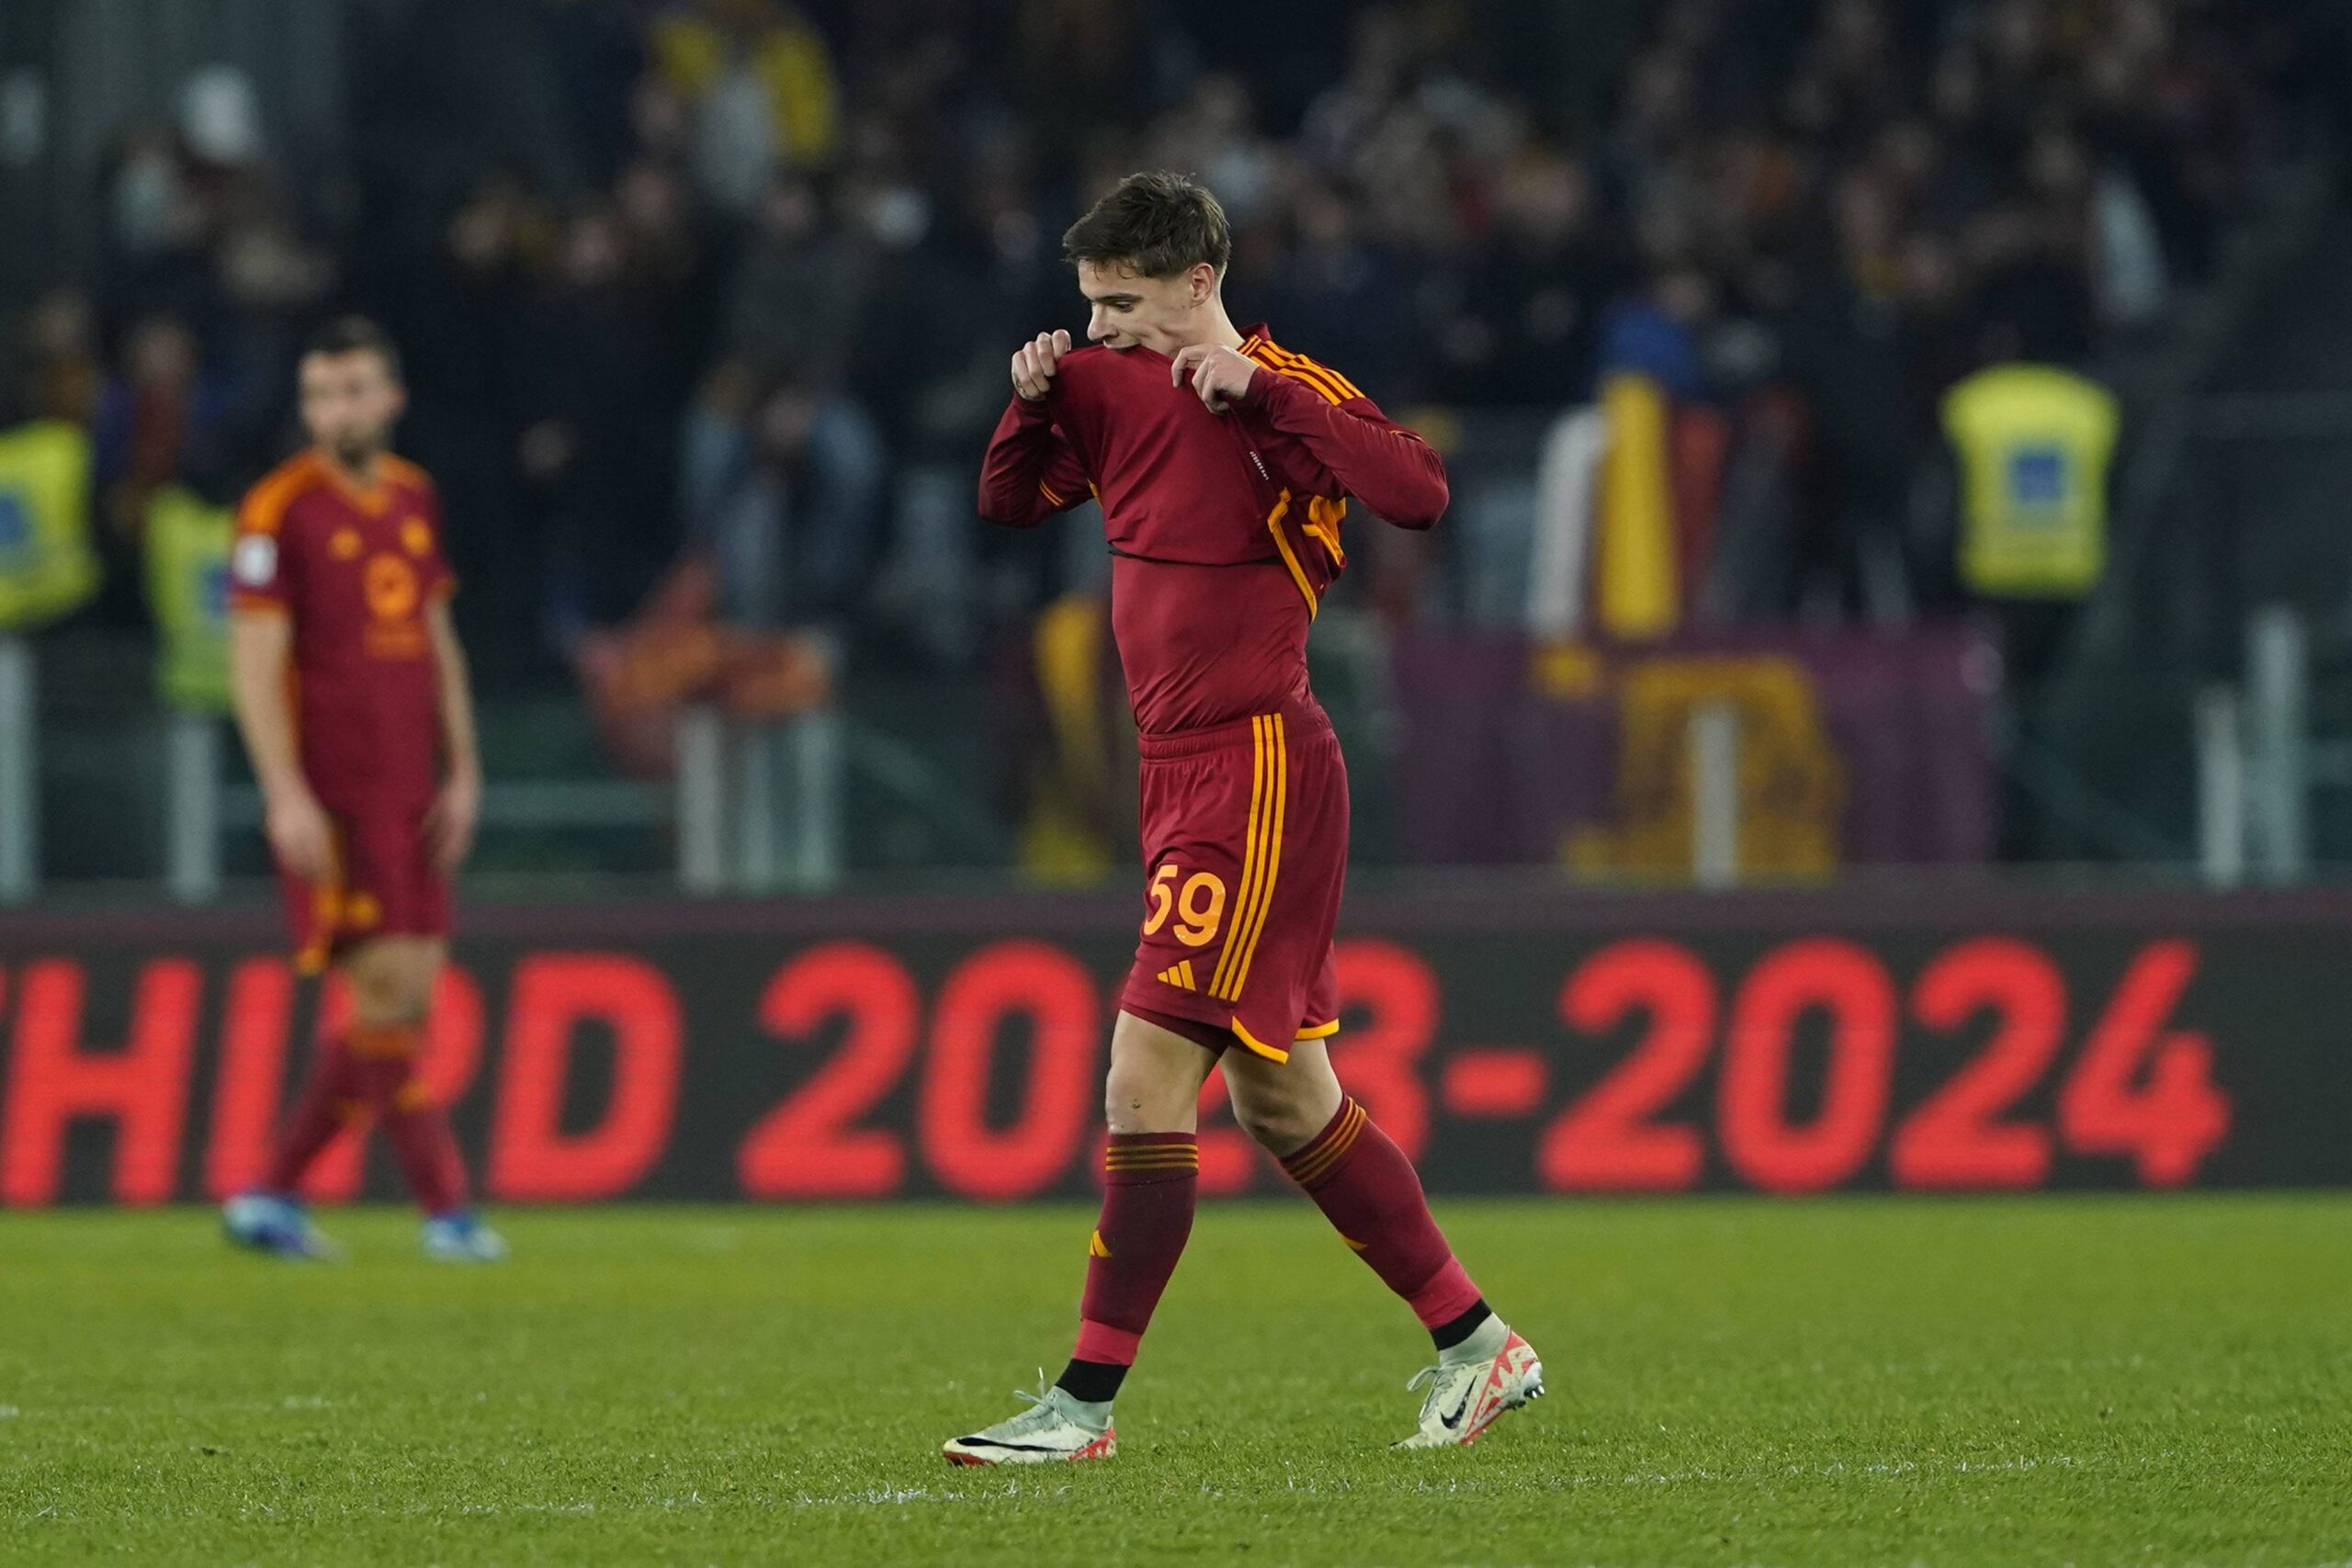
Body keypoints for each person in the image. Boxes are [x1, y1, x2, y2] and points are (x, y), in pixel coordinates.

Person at [947, 173, 1542, 1463]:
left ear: (1200, 282)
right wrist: (1030, 392)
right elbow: (1006, 504)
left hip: (1257, 763)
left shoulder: (1287, 387)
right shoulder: (1105, 376)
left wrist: (1260, 393)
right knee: (1283, 1100)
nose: (1104, 327)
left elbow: (1419, 494)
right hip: (1177, 771)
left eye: (1125, 303)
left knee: (1142, 1072)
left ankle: (1084, 1402)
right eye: (1089, 305)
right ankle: (1477, 1339)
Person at [219, 318, 505, 1263]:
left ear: (390, 398)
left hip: (412, 786)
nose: (333, 410)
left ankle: (268, 1193)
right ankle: (447, 1211)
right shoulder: (277, 510)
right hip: (335, 793)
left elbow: (438, 643)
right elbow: (254, 666)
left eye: (350, 390)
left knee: (406, 1002)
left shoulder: (415, 498)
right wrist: (284, 792)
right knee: (383, 989)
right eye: (318, 394)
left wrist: (462, 772)